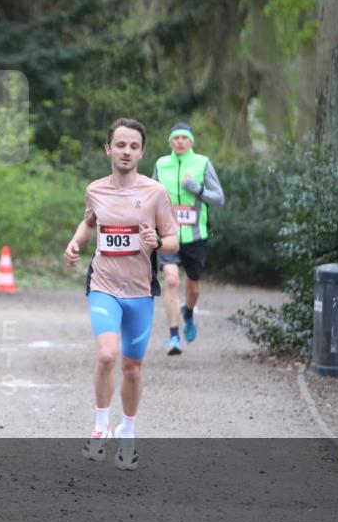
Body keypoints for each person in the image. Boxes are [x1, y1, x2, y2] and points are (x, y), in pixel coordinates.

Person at [64, 118, 178, 470]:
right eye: (120, 145)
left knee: (132, 367)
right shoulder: (95, 190)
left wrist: (157, 242)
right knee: (107, 355)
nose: (126, 151)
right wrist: (75, 242)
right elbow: (90, 222)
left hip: (140, 291)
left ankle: (127, 431)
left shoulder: (155, 193)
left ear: (142, 152)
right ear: (108, 148)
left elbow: (174, 239)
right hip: (103, 285)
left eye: (133, 146)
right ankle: (101, 427)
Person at [151, 123, 225, 355]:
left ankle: (189, 312)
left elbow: (219, 198)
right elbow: (149, 194)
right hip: (168, 234)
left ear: (191, 142)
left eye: (185, 138)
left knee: (193, 287)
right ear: (170, 142)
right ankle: (174, 338)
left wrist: (197, 188)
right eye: (176, 138)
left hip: (195, 236)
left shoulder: (202, 163)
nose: (180, 142)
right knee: (171, 281)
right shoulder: (161, 164)